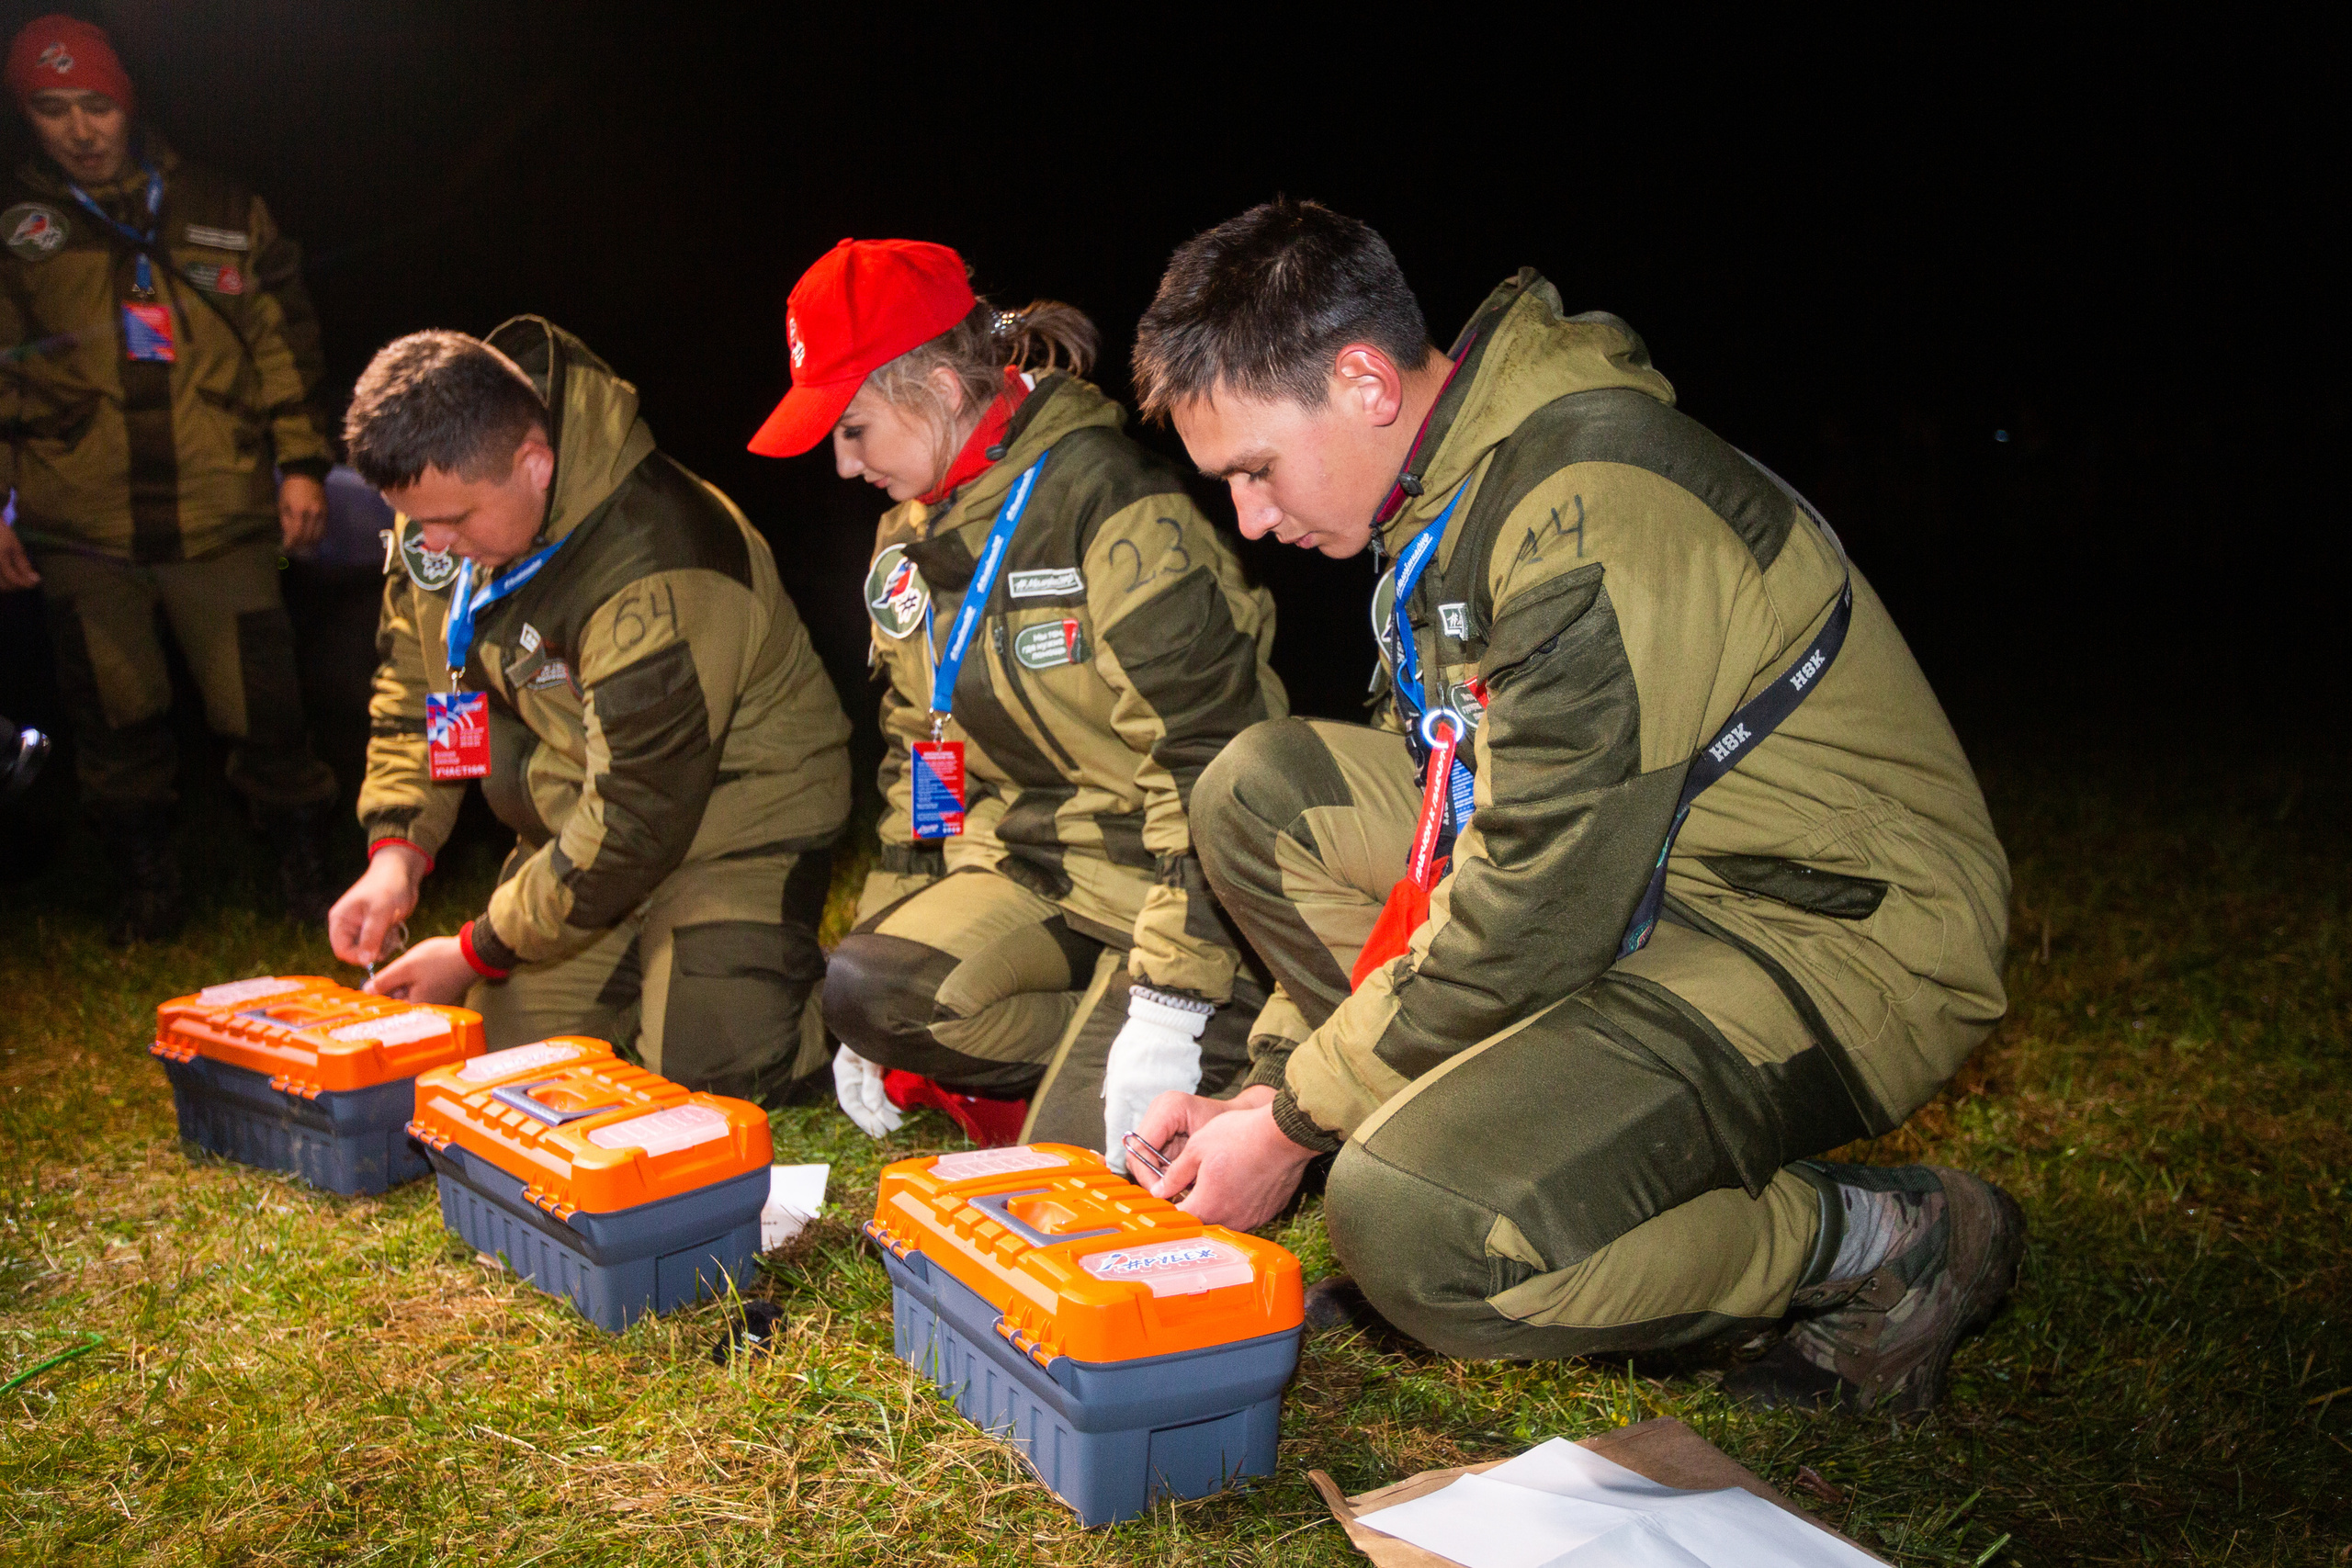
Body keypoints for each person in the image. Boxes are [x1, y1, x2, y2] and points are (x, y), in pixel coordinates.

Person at [1128, 199, 2022, 1416]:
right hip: (1640, 885)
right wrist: (1267, 1088)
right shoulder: (1446, 505)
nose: (1250, 518)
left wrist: (1290, 1124)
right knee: (1263, 791)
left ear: (1363, 383)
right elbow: (1442, 840)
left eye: (1254, 469)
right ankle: (1467, 1137)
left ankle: (1882, 1238)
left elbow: (1530, 909)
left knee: (1413, 1229)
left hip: (1823, 926)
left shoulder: (1584, 510)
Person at [749, 239, 1284, 1157]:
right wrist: (873, 986)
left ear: (939, 392)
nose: (842, 464)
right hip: (1025, 872)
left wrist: (1169, 1001)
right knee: (868, 987)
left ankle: (1213, 1024)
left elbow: (1208, 761)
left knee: (1096, 1178)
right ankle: (1100, 1028)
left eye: (853, 429)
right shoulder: (903, 539)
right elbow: (920, 749)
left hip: (1172, 887)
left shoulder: (1109, 502)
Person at [326, 319, 852, 1105]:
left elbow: (637, 816)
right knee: (503, 1064)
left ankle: (817, 995)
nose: (433, 543)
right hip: (586, 822)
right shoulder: (445, 497)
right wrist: (396, 854)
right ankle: (656, 969)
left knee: (713, 1077)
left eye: (454, 521)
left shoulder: (657, 557)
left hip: (731, 825)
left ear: (534, 464)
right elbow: (418, 687)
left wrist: (475, 949)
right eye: (417, 521)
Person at [0, 15, 339, 942]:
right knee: (114, 714)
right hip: (82, 520)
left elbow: (285, 342)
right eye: (52, 109)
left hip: (221, 508)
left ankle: (305, 874)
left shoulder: (221, 204)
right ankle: (146, 889)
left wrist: (302, 464)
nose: (80, 129)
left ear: (129, 101)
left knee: (262, 705)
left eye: (97, 105)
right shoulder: (16, 228)